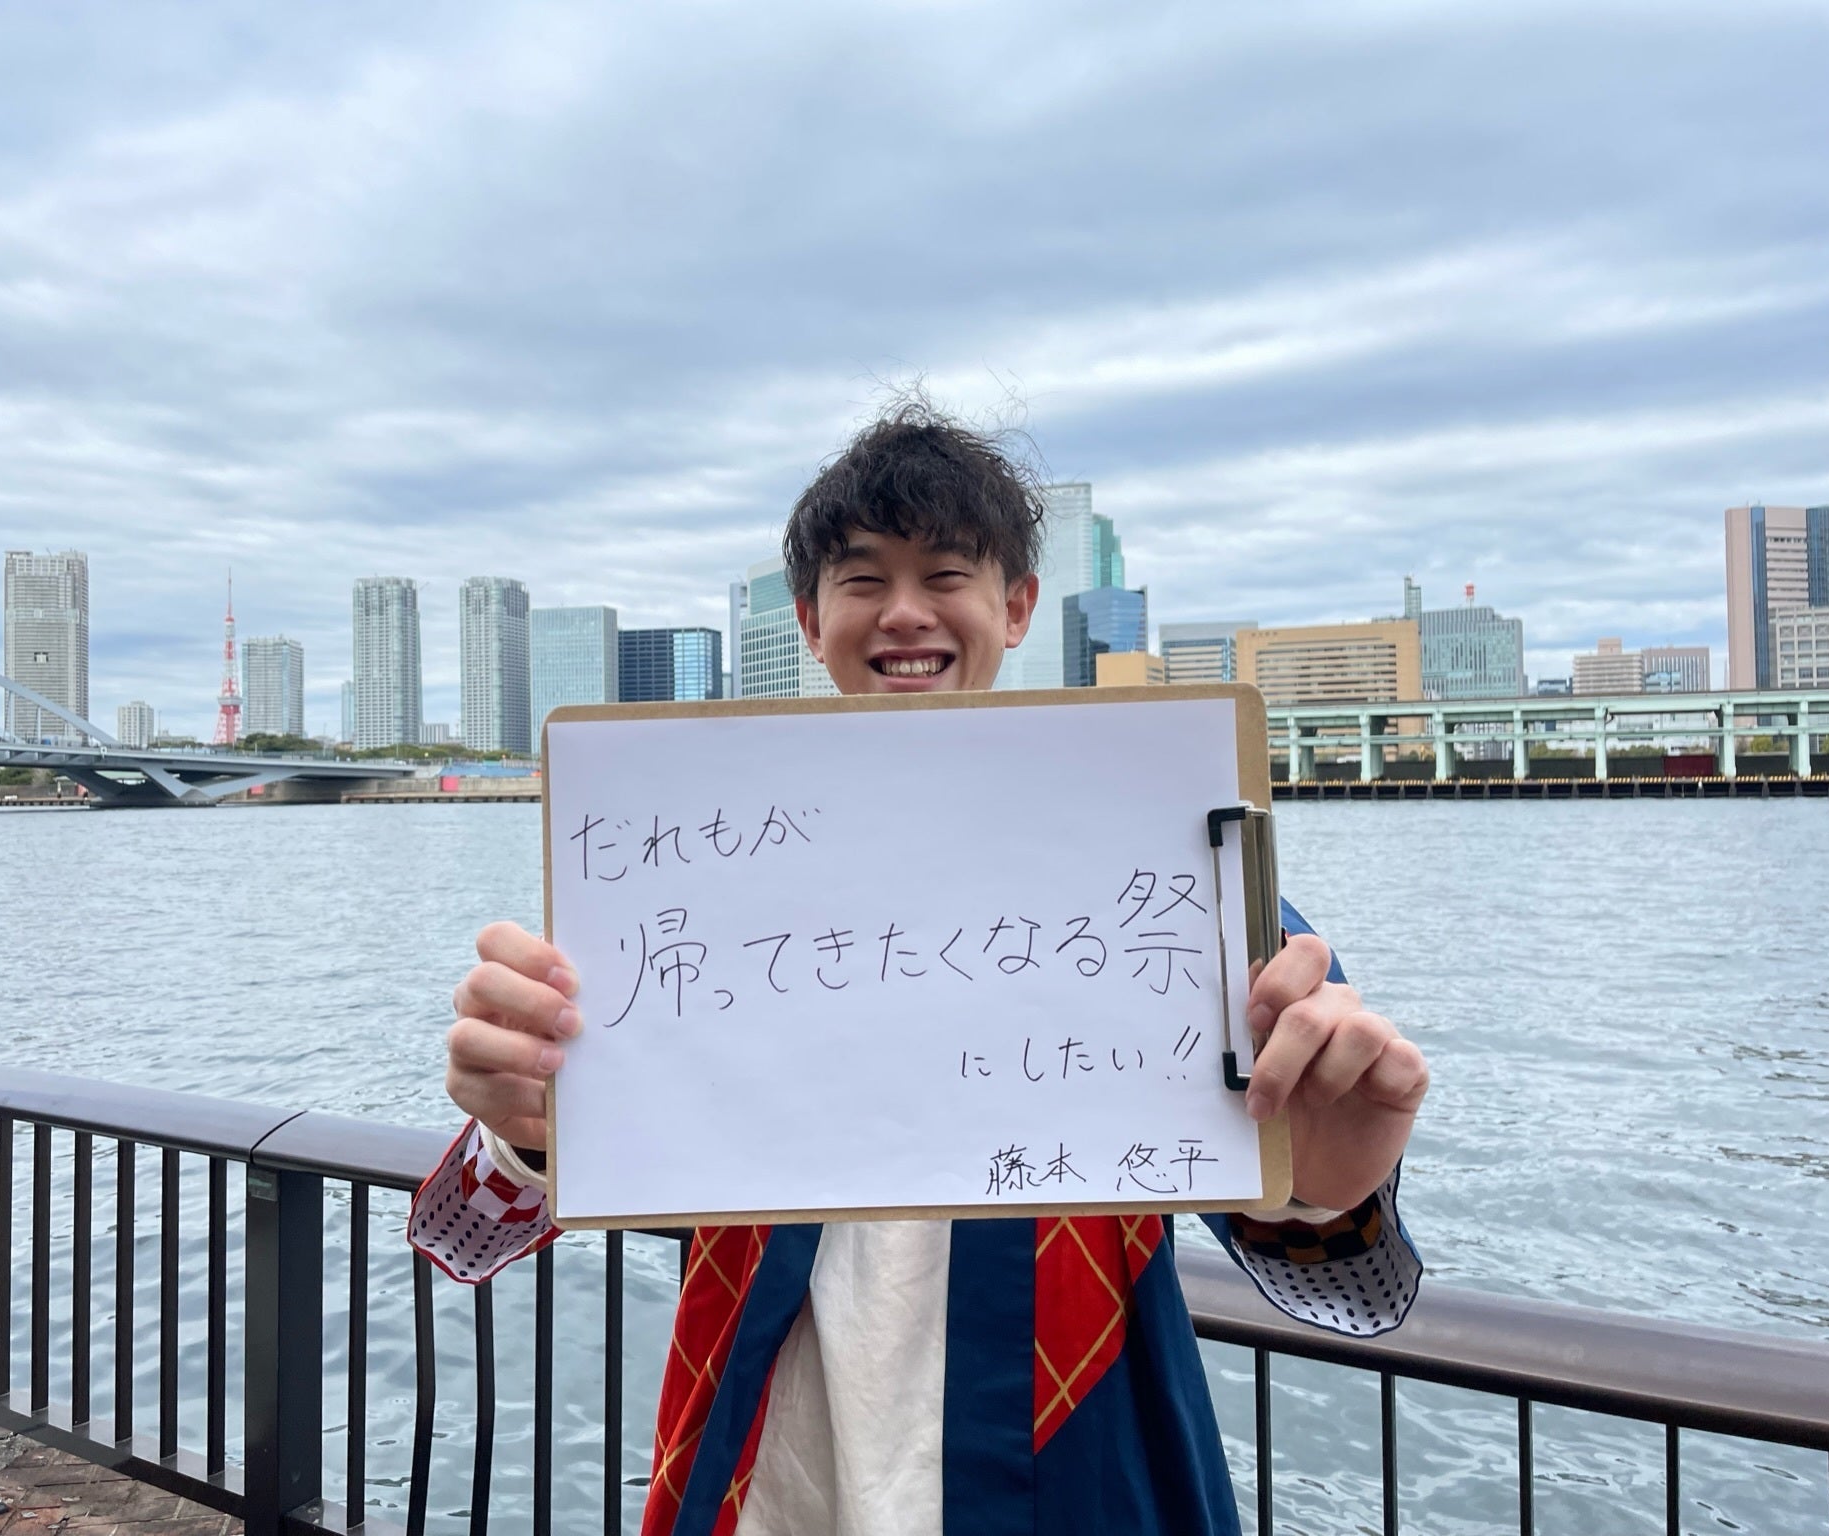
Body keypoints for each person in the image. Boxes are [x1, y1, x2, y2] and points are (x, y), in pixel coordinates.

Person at [409, 403, 1430, 1535]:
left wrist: (1330, 1181)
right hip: (759, 1477)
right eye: (862, 580)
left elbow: (1351, 1286)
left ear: (1017, 606)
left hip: (1078, 1469)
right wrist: (525, 1126)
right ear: (809, 620)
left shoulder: (1172, 861)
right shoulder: (682, 863)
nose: (904, 613)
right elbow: (468, 1231)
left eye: (947, 573)